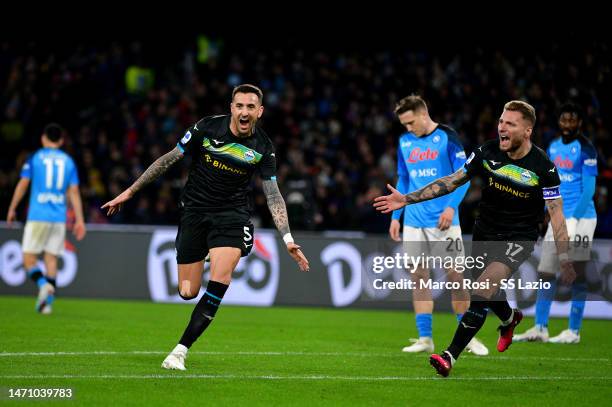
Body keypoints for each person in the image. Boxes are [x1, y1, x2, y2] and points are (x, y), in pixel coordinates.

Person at [102, 84, 310, 371]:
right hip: (195, 212)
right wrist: (131, 191)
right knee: (187, 291)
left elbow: (273, 195)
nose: (244, 112)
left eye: (251, 107)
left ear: (260, 111)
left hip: (232, 216)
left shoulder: (263, 148)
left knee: (221, 278)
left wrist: (287, 239)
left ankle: (179, 351)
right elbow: (169, 159)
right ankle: (209, 251)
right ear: (231, 108)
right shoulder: (207, 128)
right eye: (240, 106)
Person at [374, 100, 575, 377]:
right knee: (488, 293)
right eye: (501, 121)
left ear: (527, 130)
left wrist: (564, 255)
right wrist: (406, 200)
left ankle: (449, 356)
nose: (502, 127)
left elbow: (556, 213)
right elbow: (451, 181)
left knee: (480, 291)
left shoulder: (544, 168)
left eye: (510, 124)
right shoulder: (486, 152)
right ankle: (510, 317)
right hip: (486, 232)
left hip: (519, 237)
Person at [389, 95, 488, 356]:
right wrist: (395, 218)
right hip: (413, 221)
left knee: (456, 278)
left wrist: (450, 206)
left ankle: (466, 337)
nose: (408, 128)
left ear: (423, 114)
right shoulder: (404, 142)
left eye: (410, 122)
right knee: (419, 278)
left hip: (445, 221)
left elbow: (464, 177)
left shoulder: (447, 136)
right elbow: (404, 178)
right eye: (404, 124)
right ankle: (425, 338)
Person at [514, 102, 597, 344]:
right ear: (559, 122)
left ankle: (574, 331)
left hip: (581, 219)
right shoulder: (553, 146)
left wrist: (570, 219)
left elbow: (589, 189)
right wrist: (544, 214)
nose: (568, 124)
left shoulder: (587, 149)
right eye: (564, 120)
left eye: (572, 120)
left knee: (576, 272)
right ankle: (540, 327)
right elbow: (549, 185)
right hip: (558, 217)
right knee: (546, 271)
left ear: (580, 123)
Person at [7, 123, 86, 314]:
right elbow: (74, 191)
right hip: (58, 217)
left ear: (43, 138)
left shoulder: (35, 158)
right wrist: (80, 219)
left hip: (38, 215)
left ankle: (43, 285)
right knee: (51, 260)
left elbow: (23, 184)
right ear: (60, 141)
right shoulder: (68, 161)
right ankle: (46, 304)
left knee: (28, 259)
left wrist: (12, 207)